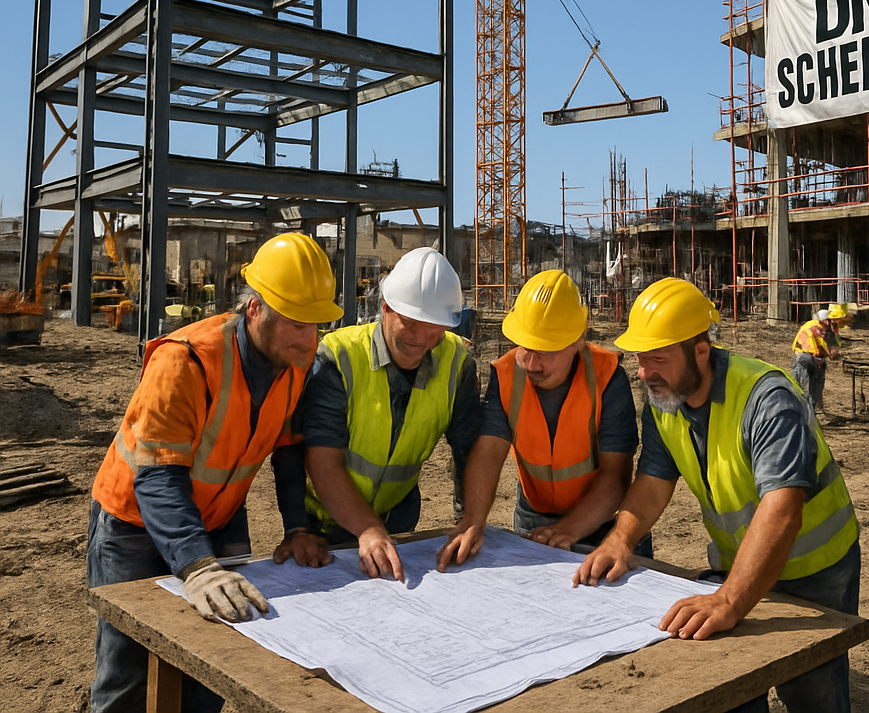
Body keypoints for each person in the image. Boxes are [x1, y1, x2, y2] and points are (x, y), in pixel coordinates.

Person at [573, 278, 860, 713]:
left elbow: (782, 510)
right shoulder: (664, 397)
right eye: (640, 359)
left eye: (658, 359)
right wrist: (620, 538)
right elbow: (653, 477)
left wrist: (729, 599)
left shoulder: (767, 398)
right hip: (736, 561)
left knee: (810, 685)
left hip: (815, 568)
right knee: (735, 681)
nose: (645, 373)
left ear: (700, 353)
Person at [87, 232, 341, 713]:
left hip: (220, 518)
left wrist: (298, 527)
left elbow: (288, 452)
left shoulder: (295, 364)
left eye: (318, 325)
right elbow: (158, 476)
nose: (310, 340)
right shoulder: (184, 360)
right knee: (128, 671)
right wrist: (196, 566)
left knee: (220, 660)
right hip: (135, 524)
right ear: (255, 309)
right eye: (296, 323)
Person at [437, 269, 641, 570]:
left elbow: (616, 475)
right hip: (534, 516)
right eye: (526, 347)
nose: (532, 363)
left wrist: (569, 529)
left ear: (578, 341)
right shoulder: (505, 374)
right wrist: (472, 520)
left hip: (604, 523)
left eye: (546, 351)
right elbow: (489, 452)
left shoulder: (607, 376)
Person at [300, 246, 480, 582]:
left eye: (434, 328)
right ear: (385, 308)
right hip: (323, 524)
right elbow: (321, 458)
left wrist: (468, 518)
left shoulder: (456, 362)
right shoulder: (338, 357)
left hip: (397, 520)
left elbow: (469, 449)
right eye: (410, 323)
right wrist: (367, 528)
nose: (420, 339)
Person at [790, 305, 843, 412]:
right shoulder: (817, 329)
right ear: (826, 321)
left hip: (803, 358)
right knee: (807, 390)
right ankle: (807, 413)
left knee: (803, 388)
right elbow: (829, 351)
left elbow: (834, 345)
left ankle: (806, 410)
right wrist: (831, 353)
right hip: (807, 359)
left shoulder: (815, 326)